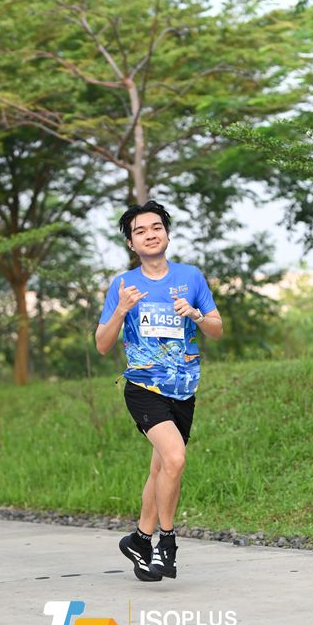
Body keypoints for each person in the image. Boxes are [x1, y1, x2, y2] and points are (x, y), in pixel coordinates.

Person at [95, 201, 222, 581]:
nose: (150, 235)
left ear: (166, 233)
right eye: (140, 231)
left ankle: (139, 539)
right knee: (176, 459)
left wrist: (196, 315)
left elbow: (216, 329)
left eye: (156, 227)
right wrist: (121, 310)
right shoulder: (123, 285)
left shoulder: (190, 277)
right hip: (143, 386)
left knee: (162, 468)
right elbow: (102, 345)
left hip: (184, 388)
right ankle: (167, 542)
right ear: (131, 243)